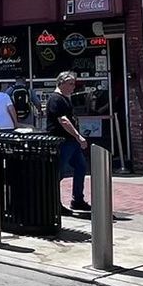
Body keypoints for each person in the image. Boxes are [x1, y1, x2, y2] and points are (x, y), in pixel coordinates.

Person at [48, 71, 91, 213]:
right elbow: (63, 120)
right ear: (61, 83)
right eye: (70, 84)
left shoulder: (65, 98)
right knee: (58, 173)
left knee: (81, 167)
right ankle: (54, 203)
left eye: (74, 84)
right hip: (63, 141)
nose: (73, 87)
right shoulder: (56, 99)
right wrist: (78, 136)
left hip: (71, 142)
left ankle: (77, 199)